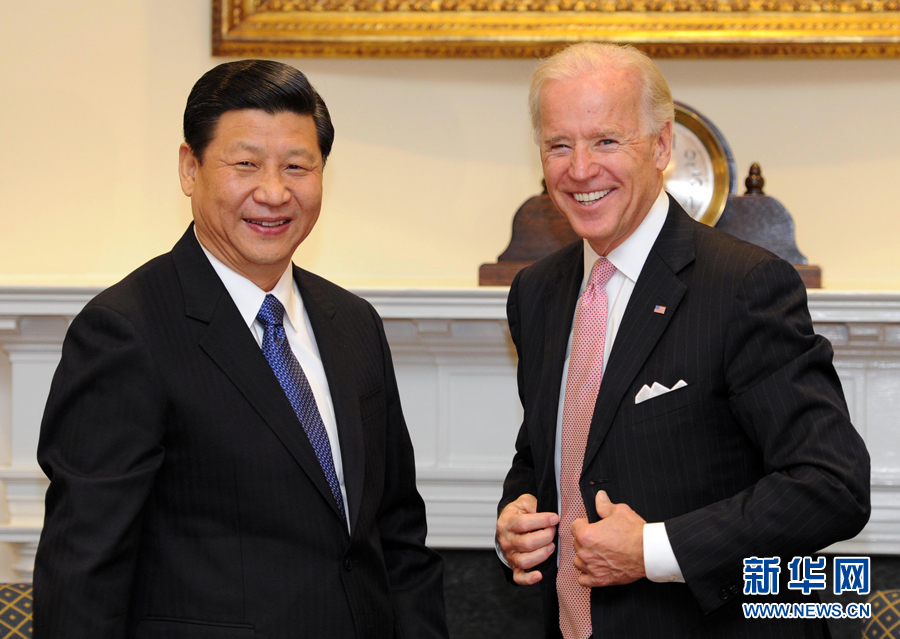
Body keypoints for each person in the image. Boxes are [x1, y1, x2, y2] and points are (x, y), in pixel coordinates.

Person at [34, 60, 448, 639]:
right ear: (189, 167)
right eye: (246, 164)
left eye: (297, 166)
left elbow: (398, 534)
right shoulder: (127, 329)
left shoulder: (353, 323)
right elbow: (84, 569)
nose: (273, 192)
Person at [496, 43, 870, 638]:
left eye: (607, 141)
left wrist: (653, 550)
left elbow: (831, 485)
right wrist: (515, 517)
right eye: (558, 145)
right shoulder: (536, 293)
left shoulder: (744, 285)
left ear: (662, 147)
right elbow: (550, 456)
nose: (581, 168)